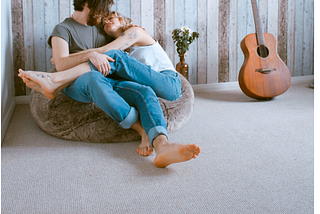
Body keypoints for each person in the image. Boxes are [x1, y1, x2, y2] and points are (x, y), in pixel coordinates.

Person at [19, 1, 200, 167]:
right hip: (84, 81)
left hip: (115, 79)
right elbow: (60, 63)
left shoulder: (104, 29)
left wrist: (123, 35)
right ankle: (139, 127)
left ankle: (163, 145)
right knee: (94, 78)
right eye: (105, 9)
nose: (106, 17)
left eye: (109, 16)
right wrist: (89, 55)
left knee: (144, 91)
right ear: (91, 4)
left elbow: (113, 51)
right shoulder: (62, 29)